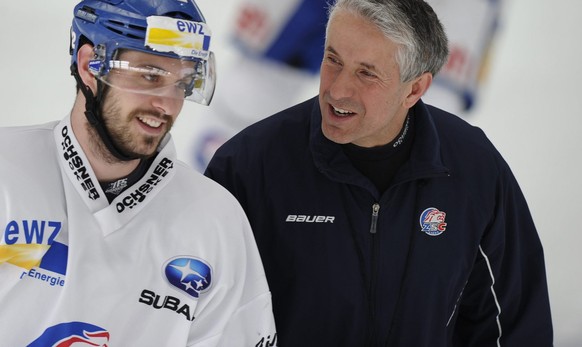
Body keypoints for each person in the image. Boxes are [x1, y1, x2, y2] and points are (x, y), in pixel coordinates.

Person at [205, 0, 553, 345]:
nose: (338, 90)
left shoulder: (473, 170)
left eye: (366, 73)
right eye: (332, 60)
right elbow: (202, 314)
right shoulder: (246, 166)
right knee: (250, 88)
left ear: (416, 90)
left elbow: (513, 322)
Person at [0, 0, 276, 346]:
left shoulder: (216, 219)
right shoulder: (6, 173)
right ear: (89, 66)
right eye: (149, 76)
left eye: (183, 82)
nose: (167, 104)